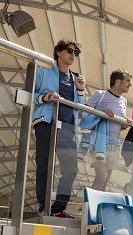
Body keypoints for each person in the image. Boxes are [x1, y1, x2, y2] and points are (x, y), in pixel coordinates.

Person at [32, 39, 86, 218]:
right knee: (44, 165)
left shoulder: (76, 79)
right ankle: (43, 206)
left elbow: (79, 108)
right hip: (46, 122)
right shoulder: (44, 73)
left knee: (71, 169)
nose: (73, 55)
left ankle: (58, 208)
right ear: (58, 52)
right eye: (70, 51)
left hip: (68, 126)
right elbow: (31, 94)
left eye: (76, 53)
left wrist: (80, 90)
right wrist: (45, 97)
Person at [85, 69, 132, 191]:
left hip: (114, 144)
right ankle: (89, 206)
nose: (130, 84)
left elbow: (117, 124)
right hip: (98, 142)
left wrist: (125, 123)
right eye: (128, 81)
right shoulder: (100, 95)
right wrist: (101, 112)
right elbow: (82, 113)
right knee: (101, 176)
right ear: (117, 81)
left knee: (105, 181)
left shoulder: (124, 101)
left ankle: (97, 207)